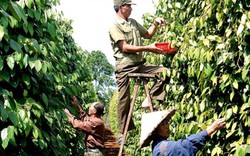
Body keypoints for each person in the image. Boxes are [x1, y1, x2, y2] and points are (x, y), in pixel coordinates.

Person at [109, 0, 169, 143]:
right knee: (124, 98)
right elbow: (124, 48)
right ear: (121, 7)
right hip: (124, 66)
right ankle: (123, 132)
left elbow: (148, 35)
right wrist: (148, 48)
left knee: (164, 72)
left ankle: (151, 99)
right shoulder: (114, 26)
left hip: (140, 63)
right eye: (128, 6)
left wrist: (155, 23)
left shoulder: (133, 23)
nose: (131, 8)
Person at [139, 109, 226, 156]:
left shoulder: (157, 146)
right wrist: (211, 129)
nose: (167, 126)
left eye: (167, 122)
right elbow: (187, 145)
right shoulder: (163, 147)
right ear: (155, 131)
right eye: (163, 124)